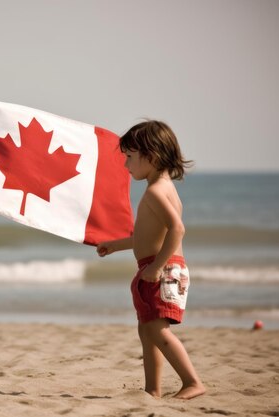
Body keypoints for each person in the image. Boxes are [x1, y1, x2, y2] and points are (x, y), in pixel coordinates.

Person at [97, 120, 205, 400]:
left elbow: (177, 229)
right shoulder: (161, 188)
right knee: (147, 331)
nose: (125, 165)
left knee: (157, 331)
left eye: (130, 157)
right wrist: (115, 245)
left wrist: (157, 267)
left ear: (152, 156)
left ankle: (192, 382)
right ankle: (153, 390)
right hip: (155, 267)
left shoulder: (156, 192)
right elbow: (146, 236)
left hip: (162, 269)